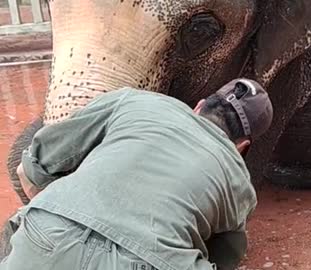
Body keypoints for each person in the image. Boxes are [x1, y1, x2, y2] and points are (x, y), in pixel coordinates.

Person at [1, 78, 273, 270]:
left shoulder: (132, 101)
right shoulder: (239, 182)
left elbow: (36, 162)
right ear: (242, 147)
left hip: (44, 237)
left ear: (199, 106)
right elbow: (226, 258)